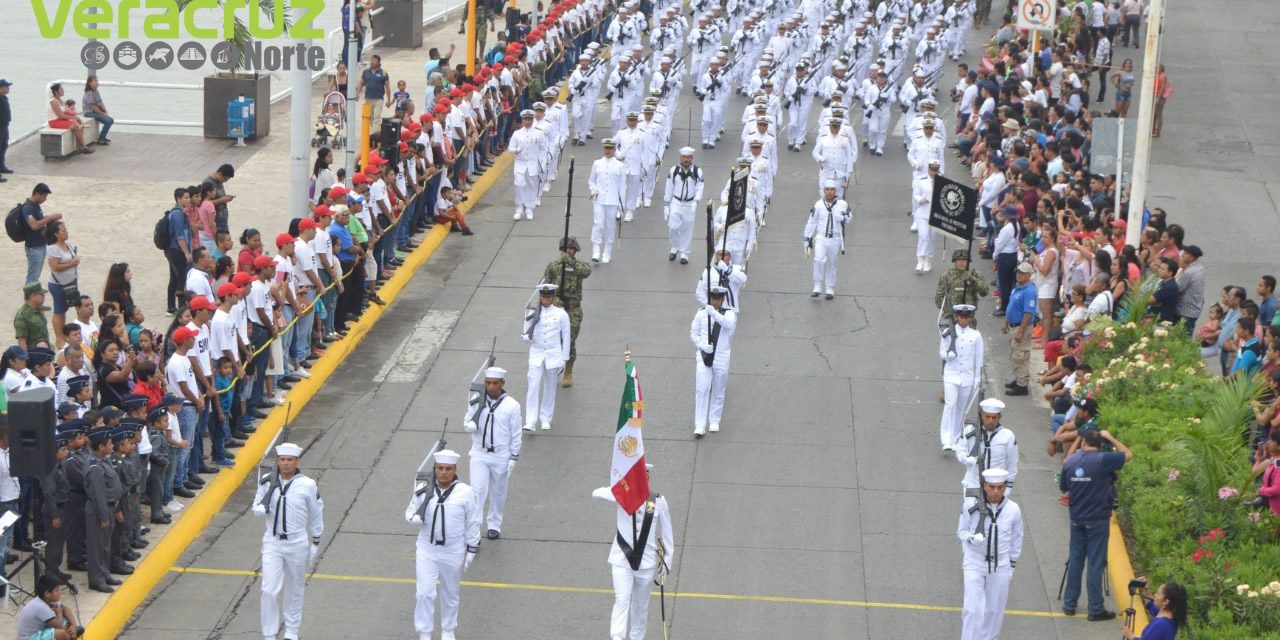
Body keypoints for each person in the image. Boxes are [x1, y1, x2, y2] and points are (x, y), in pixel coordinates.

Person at [404, 449, 480, 640]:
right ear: (435, 469)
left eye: (448, 468)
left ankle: (448, 630)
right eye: (440, 468)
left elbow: (473, 520)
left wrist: (472, 547)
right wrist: (412, 518)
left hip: (452, 550)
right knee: (424, 593)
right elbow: (410, 510)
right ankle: (425, 632)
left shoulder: (466, 492)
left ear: (455, 469)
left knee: (450, 592)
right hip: (427, 549)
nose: (444, 472)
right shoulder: (423, 489)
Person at [251, 442, 325, 640]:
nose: (285, 464)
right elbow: (257, 504)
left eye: (289, 460)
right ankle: (269, 634)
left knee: (295, 588)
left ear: (297, 461)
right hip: (273, 542)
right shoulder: (267, 481)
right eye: (282, 460)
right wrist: (259, 509)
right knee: (268, 589)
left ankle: (292, 630)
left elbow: (317, 513)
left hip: (297, 542)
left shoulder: (307, 484)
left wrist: (315, 542)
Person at [593, 463, 674, 640]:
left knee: (640, 607)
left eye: (646, 475)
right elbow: (595, 494)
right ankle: (617, 637)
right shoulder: (622, 496)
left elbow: (668, 537)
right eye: (639, 475)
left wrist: (666, 564)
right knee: (622, 600)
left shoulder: (658, 501)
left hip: (646, 563)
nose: (644, 478)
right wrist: (616, 491)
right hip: (622, 559)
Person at [1060, 428, 1133, 620]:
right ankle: (1095, 608)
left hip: (1076, 519)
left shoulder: (1070, 462)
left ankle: (1069, 604)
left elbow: (1063, 487)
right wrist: (1110, 437)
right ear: (1100, 445)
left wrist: (1077, 440)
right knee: (1095, 563)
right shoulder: (1104, 460)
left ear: (1083, 442)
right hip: (1097, 519)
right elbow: (1128, 454)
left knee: (1075, 560)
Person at [957, 467, 1022, 640]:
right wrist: (971, 538)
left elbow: (1017, 538)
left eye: (1000, 487)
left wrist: (1011, 565)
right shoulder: (970, 505)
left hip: (1000, 565)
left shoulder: (1013, 510)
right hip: (974, 563)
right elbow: (961, 531)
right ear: (984, 486)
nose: (996, 491)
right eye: (992, 487)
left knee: (994, 612)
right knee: (972, 610)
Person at [462, 366, 522, 539]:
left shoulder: (512, 405)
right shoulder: (476, 399)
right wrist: (469, 425)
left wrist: (514, 457)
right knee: (477, 492)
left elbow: (516, 433)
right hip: (479, 453)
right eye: (488, 383)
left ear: (502, 383)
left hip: (500, 455)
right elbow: (467, 419)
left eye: (495, 383)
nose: (491, 387)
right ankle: (474, 529)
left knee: (498, 491)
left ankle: (494, 524)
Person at [543, 237, 590, 387]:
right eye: (565, 249)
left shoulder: (579, 266)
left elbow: (586, 271)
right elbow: (546, 286)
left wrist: (571, 262)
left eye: (571, 249)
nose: (568, 251)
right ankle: (555, 367)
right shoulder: (554, 266)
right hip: (557, 308)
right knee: (554, 339)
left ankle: (568, 370)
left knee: (569, 339)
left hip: (573, 309)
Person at [522, 284, 570, 431]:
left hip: (553, 355)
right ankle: (530, 420)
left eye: (549, 297)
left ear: (553, 298)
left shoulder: (561, 314)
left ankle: (546, 418)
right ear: (540, 297)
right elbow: (526, 332)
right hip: (536, 354)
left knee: (550, 388)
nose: (546, 300)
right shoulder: (531, 312)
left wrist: (564, 358)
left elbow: (566, 336)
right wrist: (525, 337)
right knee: (533, 386)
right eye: (543, 297)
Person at [691, 286, 737, 437]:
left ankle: (714, 420)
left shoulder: (729, 314)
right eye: (713, 298)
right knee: (701, 389)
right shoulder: (701, 313)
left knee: (718, 388)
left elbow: (729, 325)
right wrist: (702, 345)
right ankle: (699, 425)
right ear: (710, 298)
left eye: (718, 299)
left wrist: (714, 314)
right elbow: (694, 332)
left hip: (721, 356)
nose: (715, 301)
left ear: (723, 299)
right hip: (705, 355)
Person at [84, 427, 123, 593]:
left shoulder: (104, 460)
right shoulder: (95, 467)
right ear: (100, 447)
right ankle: (96, 579)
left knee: (105, 545)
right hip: (99, 510)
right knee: (97, 546)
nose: (112, 445)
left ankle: (104, 572)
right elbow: (98, 494)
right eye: (109, 443)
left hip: (110, 507)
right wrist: (103, 516)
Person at [941, 304, 984, 451]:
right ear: (956, 317)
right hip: (951, 374)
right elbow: (941, 352)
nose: (963, 320)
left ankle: (956, 437)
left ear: (971, 318)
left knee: (960, 408)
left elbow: (979, 359)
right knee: (950, 404)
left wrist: (978, 378)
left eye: (966, 317)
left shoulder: (976, 335)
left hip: (967, 376)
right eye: (961, 317)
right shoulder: (948, 332)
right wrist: (948, 355)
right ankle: (946, 439)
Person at [803, 181, 853, 299]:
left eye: (832, 189)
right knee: (818, 259)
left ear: (835, 191)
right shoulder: (819, 205)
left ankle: (830, 288)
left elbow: (849, 217)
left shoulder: (842, 204)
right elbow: (812, 222)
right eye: (827, 189)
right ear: (824, 191)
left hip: (835, 238)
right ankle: (817, 285)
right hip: (821, 237)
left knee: (832, 263)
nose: (829, 191)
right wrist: (807, 238)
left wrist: (843, 217)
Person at [663, 147, 704, 264]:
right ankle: (674, 246)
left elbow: (699, 188)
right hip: (676, 202)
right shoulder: (674, 170)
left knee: (687, 228)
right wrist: (666, 205)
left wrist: (696, 201)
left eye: (688, 157)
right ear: (680, 158)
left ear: (692, 158)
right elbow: (668, 188)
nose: (686, 159)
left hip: (689, 203)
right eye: (684, 157)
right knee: (673, 226)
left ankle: (684, 253)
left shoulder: (697, 172)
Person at [588, 138, 626, 263]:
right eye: (606, 148)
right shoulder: (597, 163)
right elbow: (592, 180)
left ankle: (607, 252)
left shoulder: (620, 166)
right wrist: (593, 189)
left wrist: (621, 206)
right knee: (598, 224)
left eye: (610, 148)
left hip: (613, 200)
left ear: (615, 149)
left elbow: (622, 186)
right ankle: (596, 250)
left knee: (610, 226)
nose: (608, 150)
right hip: (599, 199)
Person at [1003, 263, 1037, 396]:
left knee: (1020, 356)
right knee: (1014, 353)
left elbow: (1028, 313)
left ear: (1029, 275)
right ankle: (1018, 379)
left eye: (1022, 273)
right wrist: (1006, 322)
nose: (1019, 275)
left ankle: (1022, 385)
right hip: (1013, 325)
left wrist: (1021, 331)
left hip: (1021, 327)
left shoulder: (1029, 291)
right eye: (1018, 272)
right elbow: (1012, 307)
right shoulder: (1019, 288)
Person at [15, 574, 82, 640]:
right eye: (57, 590)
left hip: (40, 630)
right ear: (47, 594)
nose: (60, 592)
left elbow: (66, 609)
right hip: (30, 637)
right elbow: (60, 626)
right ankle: (69, 636)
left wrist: (74, 626)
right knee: (61, 633)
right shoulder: (41, 607)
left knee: (67, 620)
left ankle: (71, 633)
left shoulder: (46, 599)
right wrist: (59, 612)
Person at [20, 183, 60, 286]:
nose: (45, 199)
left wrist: (49, 218)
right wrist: (49, 218)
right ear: (37, 194)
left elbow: (39, 221)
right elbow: (34, 225)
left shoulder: (35, 206)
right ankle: (30, 300)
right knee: (33, 276)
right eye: (44, 196)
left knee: (36, 275)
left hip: (40, 245)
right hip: (34, 247)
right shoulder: (28, 208)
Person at [1123, 580, 1188, 640]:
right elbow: (1152, 606)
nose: (1155, 595)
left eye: (1158, 594)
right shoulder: (1171, 617)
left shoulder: (1160, 625)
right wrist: (1146, 590)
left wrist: (1131, 637)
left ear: (1166, 601)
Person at [936, 250, 991, 315]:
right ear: (954, 261)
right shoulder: (947, 276)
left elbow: (984, 292)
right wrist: (948, 309)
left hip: (968, 317)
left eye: (964, 260)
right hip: (951, 315)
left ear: (968, 261)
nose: (961, 262)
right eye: (959, 260)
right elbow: (938, 298)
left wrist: (972, 279)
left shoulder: (974, 275)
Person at [46, 83, 92, 155]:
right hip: (54, 121)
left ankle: (78, 147)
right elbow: (60, 115)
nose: (63, 90)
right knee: (75, 126)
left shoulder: (61, 100)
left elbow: (66, 112)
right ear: (56, 92)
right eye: (61, 89)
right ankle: (84, 147)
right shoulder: (54, 101)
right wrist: (73, 117)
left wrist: (76, 116)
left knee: (79, 124)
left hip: (61, 120)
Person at [357, 54, 393, 129]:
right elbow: (361, 84)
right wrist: (357, 94)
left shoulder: (383, 73)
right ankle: (373, 131)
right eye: (371, 60)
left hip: (378, 99)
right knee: (370, 117)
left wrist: (389, 100)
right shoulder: (366, 72)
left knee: (377, 117)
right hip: (368, 98)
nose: (372, 62)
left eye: (374, 61)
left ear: (379, 63)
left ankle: (374, 133)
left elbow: (387, 87)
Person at [202, 164, 235, 235]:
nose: (225, 181)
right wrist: (222, 200)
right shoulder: (208, 183)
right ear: (220, 174)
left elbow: (218, 196)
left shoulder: (219, 181)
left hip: (223, 220)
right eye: (225, 179)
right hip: (216, 221)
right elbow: (204, 203)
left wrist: (226, 197)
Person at [15, 283, 50, 350]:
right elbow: (22, 342)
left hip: (45, 349)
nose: (44, 296)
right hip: (34, 354)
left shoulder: (38, 308)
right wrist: (25, 359)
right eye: (41, 294)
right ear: (32, 296)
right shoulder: (22, 316)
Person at [82, 76, 113, 146]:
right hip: (89, 112)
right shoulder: (88, 93)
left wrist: (105, 110)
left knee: (111, 120)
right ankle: (101, 139)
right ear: (90, 83)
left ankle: (103, 137)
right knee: (108, 121)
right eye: (95, 81)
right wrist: (102, 113)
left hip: (95, 111)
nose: (97, 83)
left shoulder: (96, 91)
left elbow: (100, 102)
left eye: (97, 81)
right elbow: (93, 107)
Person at [0, 78, 12, 179]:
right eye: (6, 87)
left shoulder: (3, 97)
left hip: (4, 125)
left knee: (3, 146)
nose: (8, 89)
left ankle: (1, 166)